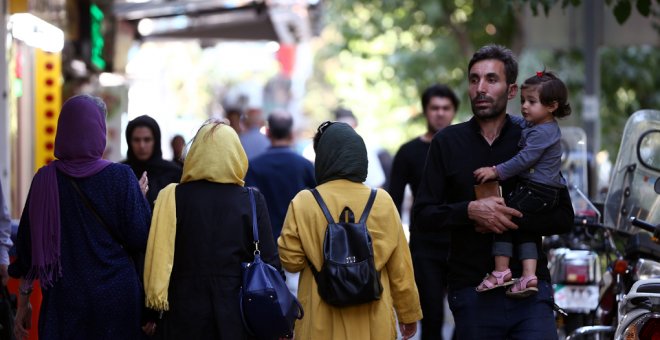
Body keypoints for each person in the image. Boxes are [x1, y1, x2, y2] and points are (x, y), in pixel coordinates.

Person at [412, 45, 574, 339]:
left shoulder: (535, 137)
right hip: (472, 292)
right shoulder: (447, 142)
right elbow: (423, 215)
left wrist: (511, 217)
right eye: (474, 80)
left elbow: (563, 217)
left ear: (512, 90)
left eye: (491, 79)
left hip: (531, 293)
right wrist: (469, 211)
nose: (481, 88)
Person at [9, 94, 152, 339]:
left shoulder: (45, 180)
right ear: (98, 131)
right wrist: (136, 198)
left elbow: (26, 250)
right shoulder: (122, 177)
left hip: (64, 306)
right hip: (116, 303)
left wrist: (23, 304)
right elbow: (141, 237)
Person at [278, 121, 422, 340]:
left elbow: (291, 261)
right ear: (360, 157)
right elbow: (401, 267)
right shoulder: (382, 201)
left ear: (323, 158)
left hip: (319, 322)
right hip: (373, 322)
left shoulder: (304, 202)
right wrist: (408, 314)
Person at [143, 121, 280, 339]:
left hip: (182, 315)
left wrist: (150, 314)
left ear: (195, 154)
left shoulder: (172, 197)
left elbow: (155, 257)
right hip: (237, 317)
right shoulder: (251, 200)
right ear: (235, 155)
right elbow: (271, 262)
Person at [473, 71, 571, 297]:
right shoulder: (537, 126)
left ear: (552, 106)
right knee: (525, 228)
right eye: (523, 101)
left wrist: (495, 170)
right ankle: (528, 276)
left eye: (532, 102)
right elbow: (518, 123)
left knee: (502, 217)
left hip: (539, 190)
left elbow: (524, 159)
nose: (525, 106)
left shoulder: (544, 132)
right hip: (539, 189)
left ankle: (501, 271)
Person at [388, 83, 459, 340]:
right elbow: (392, 202)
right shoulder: (408, 152)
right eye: (434, 108)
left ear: (454, 111)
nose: (440, 113)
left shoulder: (466, 147)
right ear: (425, 111)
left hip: (463, 242)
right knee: (431, 318)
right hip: (425, 245)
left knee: (467, 316)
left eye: (446, 108)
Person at [245, 111, 316, 297]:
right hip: (300, 245)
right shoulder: (305, 166)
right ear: (292, 134)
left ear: (267, 132)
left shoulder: (253, 166)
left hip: (264, 246)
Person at [122, 115, 182, 209]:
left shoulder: (173, 173)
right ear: (129, 142)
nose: (141, 145)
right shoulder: (120, 173)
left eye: (147, 139)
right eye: (136, 140)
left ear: (156, 141)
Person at [334, 108, 387, 188]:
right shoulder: (335, 148)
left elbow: (377, 183)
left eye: (350, 127)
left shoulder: (365, 146)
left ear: (355, 125)